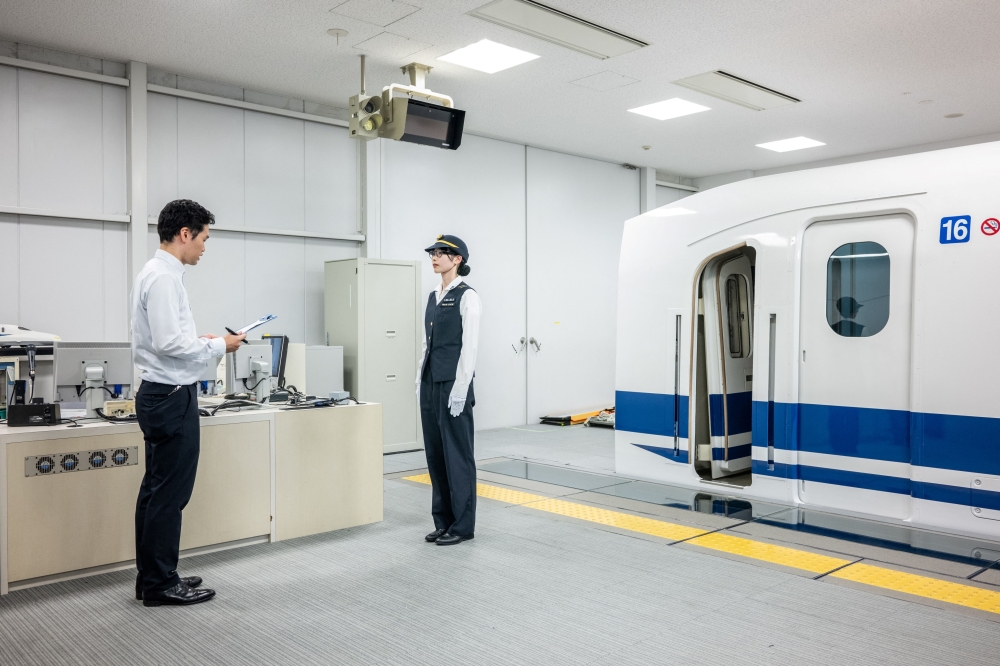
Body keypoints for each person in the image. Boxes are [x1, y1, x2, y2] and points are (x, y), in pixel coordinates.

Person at [131, 199, 245, 607]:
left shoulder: (157, 273)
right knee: (169, 495)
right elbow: (166, 343)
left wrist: (202, 343)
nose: (204, 247)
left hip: (160, 392)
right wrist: (219, 345)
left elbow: (168, 341)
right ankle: (161, 584)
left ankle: (154, 576)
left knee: (155, 491)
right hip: (171, 396)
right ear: (185, 234)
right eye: (204, 238)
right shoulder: (164, 279)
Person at [417, 235, 481, 546]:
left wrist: (461, 388)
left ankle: (463, 526)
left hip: (453, 384)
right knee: (436, 454)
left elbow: (469, 348)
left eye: (441, 253)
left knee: (458, 455)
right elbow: (429, 344)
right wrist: (420, 376)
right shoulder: (433, 295)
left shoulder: (468, 297)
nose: (434, 257)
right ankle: (443, 521)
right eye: (432, 252)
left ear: (457, 259)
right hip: (431, 382)